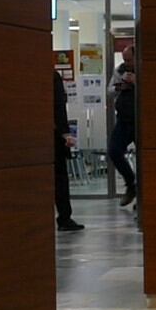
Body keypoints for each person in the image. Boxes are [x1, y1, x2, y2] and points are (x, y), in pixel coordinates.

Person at [108, 44, 138, 207]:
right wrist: (121, 86)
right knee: (114, 150)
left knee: (145, 158)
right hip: (124, 120)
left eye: (129, 59)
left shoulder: (144, 68)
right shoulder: (120, 71)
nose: (126, 63)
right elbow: (110, 90)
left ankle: (143, 195)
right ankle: (130, 184)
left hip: (141, 120)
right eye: (125, 59)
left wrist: (136, 82)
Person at [54, 70, 84, 232]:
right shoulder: (52, 76)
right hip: (54, 135)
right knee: (59, 178)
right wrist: (65, 133)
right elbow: (59, 106)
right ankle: (64, 217)